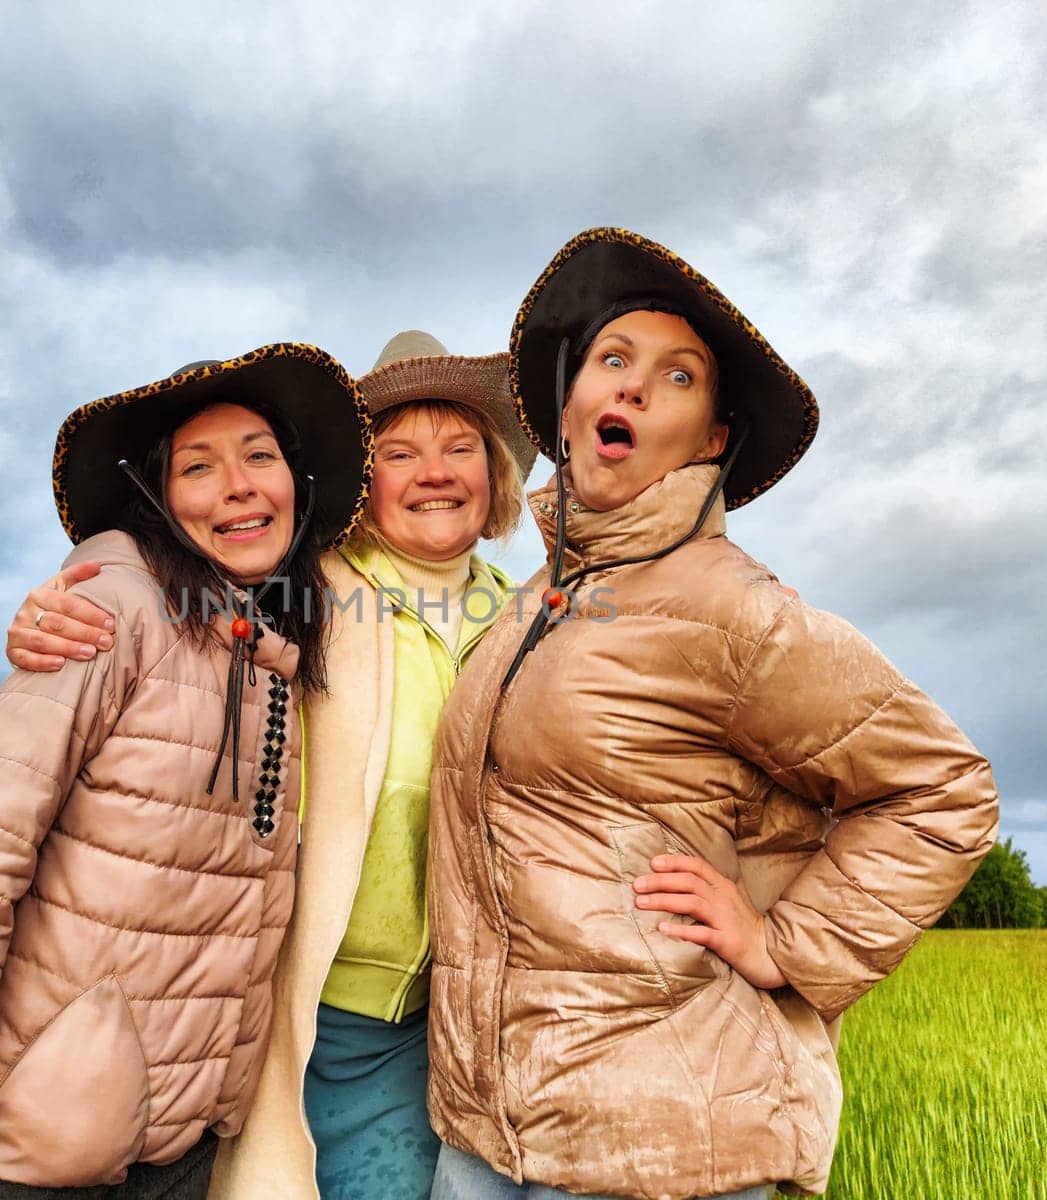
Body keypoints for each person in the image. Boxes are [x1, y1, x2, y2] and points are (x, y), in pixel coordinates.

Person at [423, 228, 1000, 1200]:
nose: (634, 387)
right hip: (490, 1131)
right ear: (567, 407)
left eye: (677, 376)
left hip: (659, 1140)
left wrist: (784, 944)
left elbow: (942, 789)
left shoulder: (732, 610)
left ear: (714, 437)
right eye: (611, 359)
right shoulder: (536, 601)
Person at [6, 331, 536, 1200]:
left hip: (470, 1017)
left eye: (459, 448)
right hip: (322, 1011)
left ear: (497, 474)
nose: (434, 472)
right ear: (364, 486)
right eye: (400, 453)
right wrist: (53, 607)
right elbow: (172, 589)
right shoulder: (303, 589)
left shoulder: (533, 617)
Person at [0, 343, 371, 1200]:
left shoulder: (278, 647)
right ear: (161, 501)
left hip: (179, 1149)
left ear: (295, 486)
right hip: (35, 1150)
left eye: (260, 457)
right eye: (199, 466)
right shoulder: (108, 610)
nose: (238, 485)